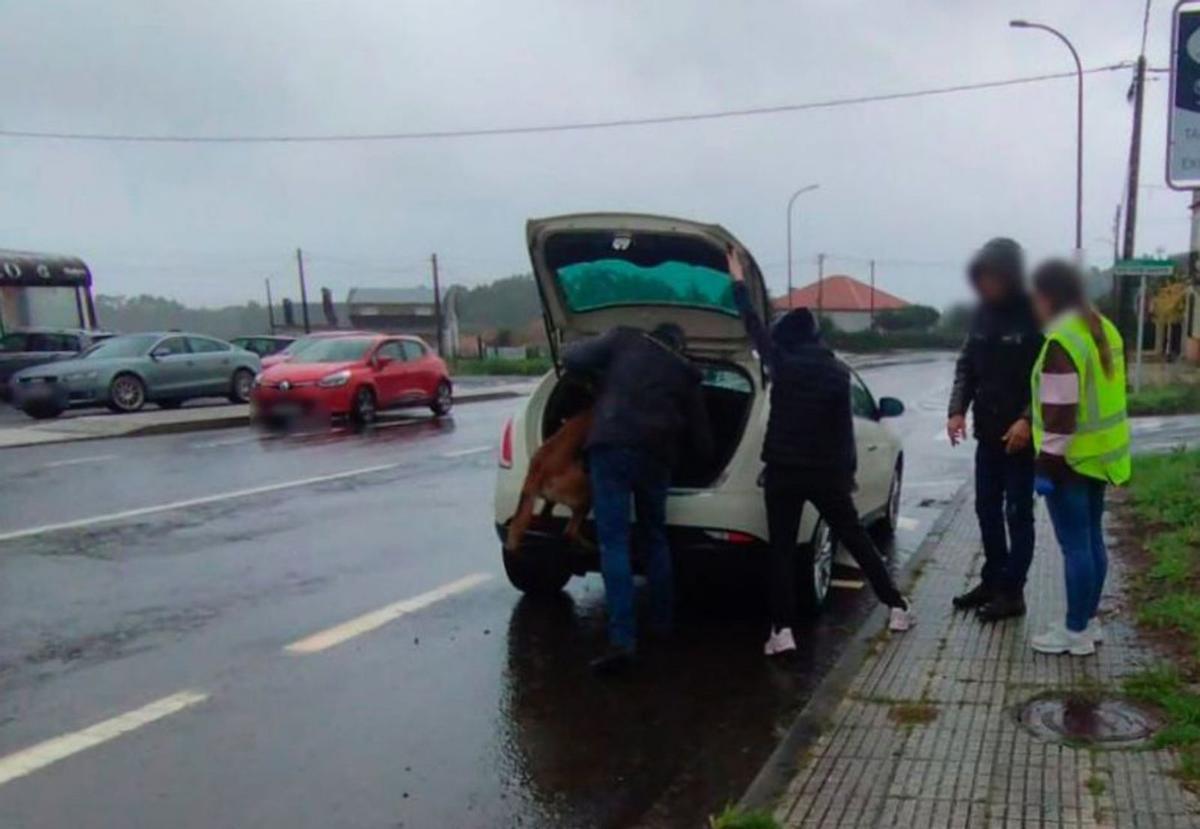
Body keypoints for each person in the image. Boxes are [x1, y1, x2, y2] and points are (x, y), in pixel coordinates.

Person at [726, 245, 912, 657]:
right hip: (827, 473)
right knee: (857, 539)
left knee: (782, 551)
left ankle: (782, 631)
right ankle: (897, 607)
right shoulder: (835, 372)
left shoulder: (782, 364)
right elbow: (843, 431)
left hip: (783, 472)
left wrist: (737, 280)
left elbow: (753, 325)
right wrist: (846, 474)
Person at [562, 323, 713, 675]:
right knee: (654, 536)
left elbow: (574, 359)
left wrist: (577, 346)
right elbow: (705, 445)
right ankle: (662, 626)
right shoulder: (687, 375)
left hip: (611, 447)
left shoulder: (623, 340)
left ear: (653, 335)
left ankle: (623, 641)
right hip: (657, 457)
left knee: (613, 543)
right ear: (680, 346)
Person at [1027, 260, 1130, 656]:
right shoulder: (1103, 328)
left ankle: (1074, 632)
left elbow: (1059, 412)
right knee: (1091, 541)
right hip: (1100, 459)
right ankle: (1087, 620)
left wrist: (1045, 467)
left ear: (1049, 296)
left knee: (1076, 548)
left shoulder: (1062, 341)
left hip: (1069, 463)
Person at [947, 238, 1044, 622]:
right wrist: (957, 410)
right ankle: (992, 578)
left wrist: (1028, 419)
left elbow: (1051, 376)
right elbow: (966, 366)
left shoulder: (1037, 315)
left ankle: (1012, 591)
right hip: (987, 435)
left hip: (1021, 438)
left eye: (993, 276)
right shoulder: (982, 315)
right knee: (986, 509)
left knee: (1017, 513)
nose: (986, 284)